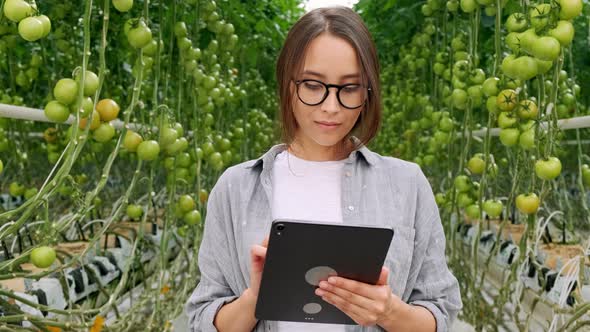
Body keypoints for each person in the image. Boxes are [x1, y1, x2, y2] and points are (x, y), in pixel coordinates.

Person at [185, 6, 462, 332]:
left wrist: (388, 310)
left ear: (368, 92)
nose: (331, 107)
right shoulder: (236, 187)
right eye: (313, 85)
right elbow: (202, 318)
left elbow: (441, 314)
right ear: (289, 85)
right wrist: (254, 298)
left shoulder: (407, 184)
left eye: (349, 88)